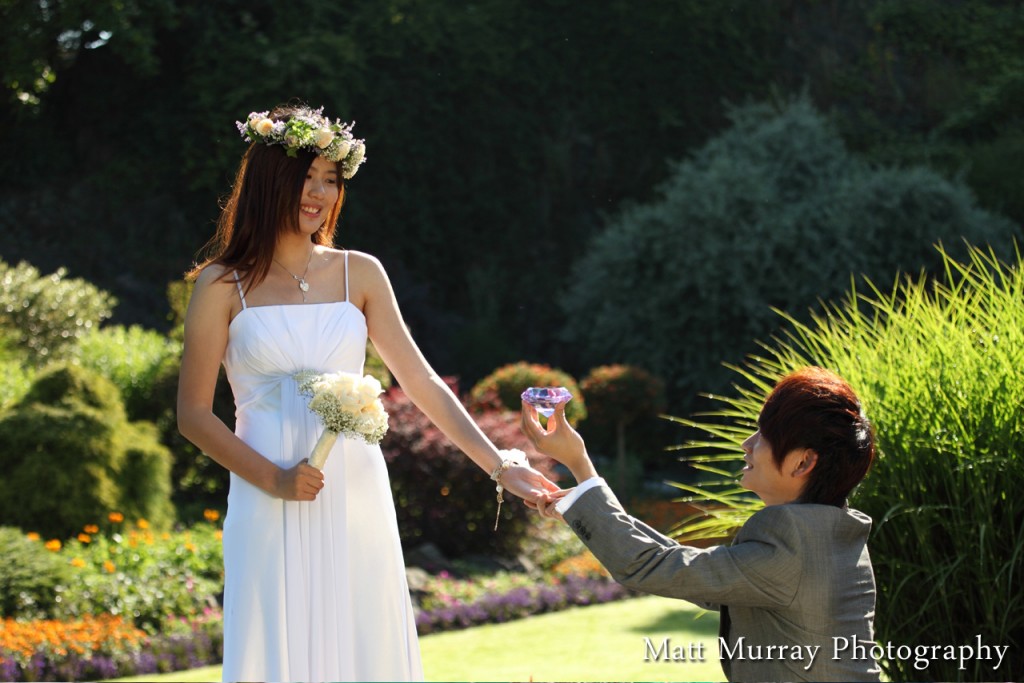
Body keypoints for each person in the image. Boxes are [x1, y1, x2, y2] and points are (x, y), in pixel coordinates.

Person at [177, 103, 557, 683]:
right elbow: (193, 415)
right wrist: (274, 479)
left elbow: (422, 381)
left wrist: (502, 466)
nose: (320, 193)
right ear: (268, 181)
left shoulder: (362, 273)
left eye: (331, 180)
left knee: (363, 645)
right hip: (267, 494)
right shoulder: (222, 284)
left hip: (354, 491)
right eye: (307, 177)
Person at [523, 366, 881, 682]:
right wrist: (577, 502)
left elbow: (651, 566)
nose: (747, 444)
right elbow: (682, 566)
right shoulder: (828, 537)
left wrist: (579, 462)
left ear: (803, 462)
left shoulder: (791, 547)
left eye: (763, 436)